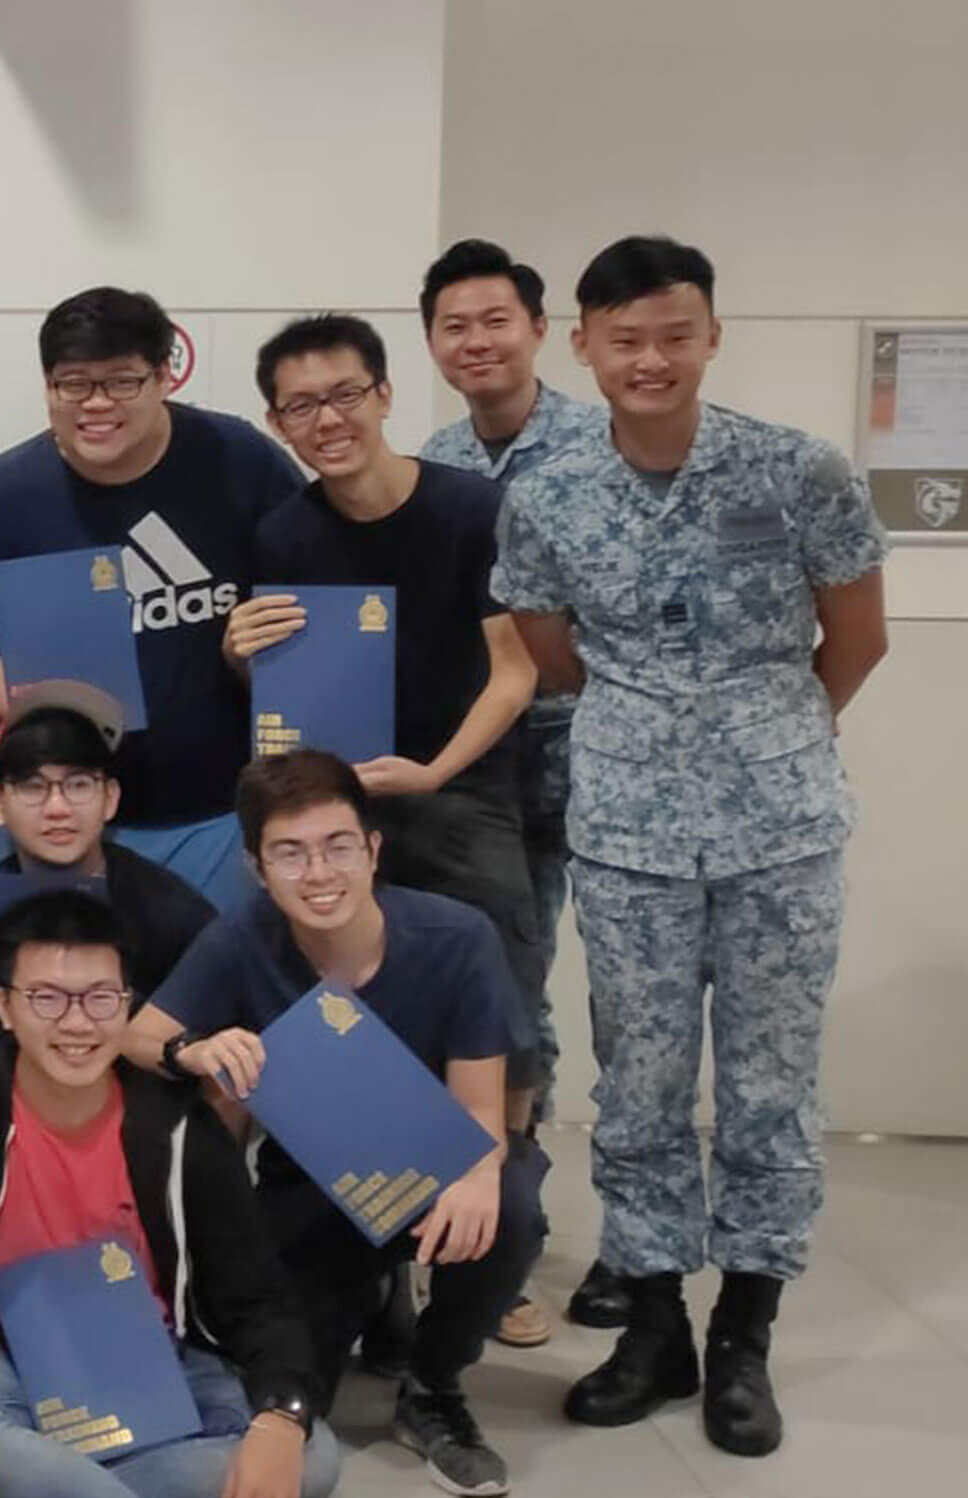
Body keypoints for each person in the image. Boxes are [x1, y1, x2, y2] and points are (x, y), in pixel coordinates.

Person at [494, 235, 890, 1457]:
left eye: (673, 333)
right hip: (623, 832)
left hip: (778, 834)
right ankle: (653, 1322)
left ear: (710, 335)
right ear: (584, 347)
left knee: (767, 1091)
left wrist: (757, 733)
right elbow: (547, 648)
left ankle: (743, 1336)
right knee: (639, 1089)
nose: (649, 358)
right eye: (624, 338)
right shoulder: (547, 492)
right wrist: (655, 733)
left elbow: (855, 640)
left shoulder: (797, 472)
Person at [232, 313, 546, 1364]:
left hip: (457, 797)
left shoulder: (471, 508)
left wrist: (433, 773)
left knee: (495, 1022)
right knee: (346, 1031)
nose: (324, 420)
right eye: (298, 406)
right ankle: (376, 1259)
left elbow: (516, 669)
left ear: (380, 394)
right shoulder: (281, 533)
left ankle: (492, 1234)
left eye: (341, 394)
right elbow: (279, 699)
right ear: (275, 422)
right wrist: (240, 655)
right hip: (337, 813)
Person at [126, 751, 543, 1496]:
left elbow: (485, 1109)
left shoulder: (458, 938)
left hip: (433, 1165)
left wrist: (478, 1173)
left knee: (510, 1206)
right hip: (310, 1182)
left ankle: (434, 1384)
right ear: (258, 866)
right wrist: (193, 1049)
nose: (318, 874)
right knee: (287, 1383)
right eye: (290, 853)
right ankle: (377, 1295)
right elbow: (136, 1033)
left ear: (373, 849)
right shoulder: (245, 936)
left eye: (338, 846)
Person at [0, 887, 341, 1498]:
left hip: (159, 1369)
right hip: (0, 1372)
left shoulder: (181, 1129)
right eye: (46, 998)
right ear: (4, 1007)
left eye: (101, 998)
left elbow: (258, 1299)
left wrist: (282, 1416)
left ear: (128, 1005)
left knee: (313, 1456)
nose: (77, 1022)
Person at [0, 285, 303, 907]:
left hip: (208, 814)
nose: (96, 405)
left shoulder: (240, 462)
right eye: (73, 385)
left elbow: (305, 601)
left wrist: (257, 661)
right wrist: (43, 712)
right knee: (27, 998)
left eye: (121, 382)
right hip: (41, 813)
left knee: (207, 1000)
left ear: (165, 376)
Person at [417, 238, 615, 1337]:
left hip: (606, 754)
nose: (475, 342)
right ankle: (509, 1248)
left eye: (494, 319)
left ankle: (629, 1257)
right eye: (453, 325)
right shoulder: (439, 461)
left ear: (541, 329)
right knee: (509, 990)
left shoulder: (600, 445)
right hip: (486, 768)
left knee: (625, 1006)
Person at [0, 695, 216, 1087]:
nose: (57, 808)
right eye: (33, 787)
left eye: (78, 784)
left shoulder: (171, 911)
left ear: (110, 798)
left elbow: (221, 1065)